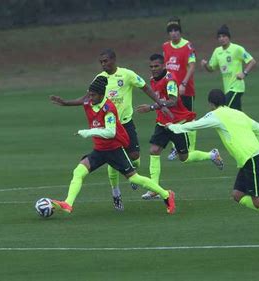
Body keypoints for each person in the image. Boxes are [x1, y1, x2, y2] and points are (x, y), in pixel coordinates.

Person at [167, 89, 259, 240]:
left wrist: (174, 127)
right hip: (250, 159)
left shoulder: (215, 115)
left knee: (258, 200)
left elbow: (195, 125)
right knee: (237, 195)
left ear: (210, 104)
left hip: (251, 159)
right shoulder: (238, 113)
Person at [49, 49, 172, 211]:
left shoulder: (125, 77)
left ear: (114, 60)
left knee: (134, 162)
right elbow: (86, 98)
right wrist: (66, 103)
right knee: (81, 171)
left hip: (121, 127)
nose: (103, 64)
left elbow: (145, 88)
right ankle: (108, 195)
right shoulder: (99, 80)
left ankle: (165, 194)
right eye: (101, 62)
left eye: (105, 61)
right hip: (105, 139)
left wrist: (160, 105)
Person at [137, 54, 224, 200]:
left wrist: (152, 107)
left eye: (156, 66)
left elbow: (173, 100)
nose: (153, 69)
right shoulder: (152, 80)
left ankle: (212, 155)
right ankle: (154, 188)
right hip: (162, 122)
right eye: (151, 66)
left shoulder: (170, 80)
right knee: (154, 150)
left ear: (163, 65)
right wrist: (158, 109)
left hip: (178, 124)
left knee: (184, 158)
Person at [162, 17, 198, 161]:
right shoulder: (165, 46)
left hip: (186, 89)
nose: (174, 33)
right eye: (171, 31)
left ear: (180, 32)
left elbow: (192, 66)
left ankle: (191, 148)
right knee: (173, 117)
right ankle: (176, 148)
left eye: (176, 30)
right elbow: (165, 66)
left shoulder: (187, 46)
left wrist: (183, 83)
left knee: (189, 118)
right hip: (171, 90)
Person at [201, 25, 257, 111]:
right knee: (237, 114)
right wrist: (205, 65)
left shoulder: (237, 49)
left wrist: (244, 73)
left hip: (236, 87)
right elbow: (211, 69)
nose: (221, 38)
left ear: (228, 37)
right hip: (227, 89)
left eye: (224, 36)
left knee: (222, 109)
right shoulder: (217, 51)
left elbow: (252, 61)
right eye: (219, 37)